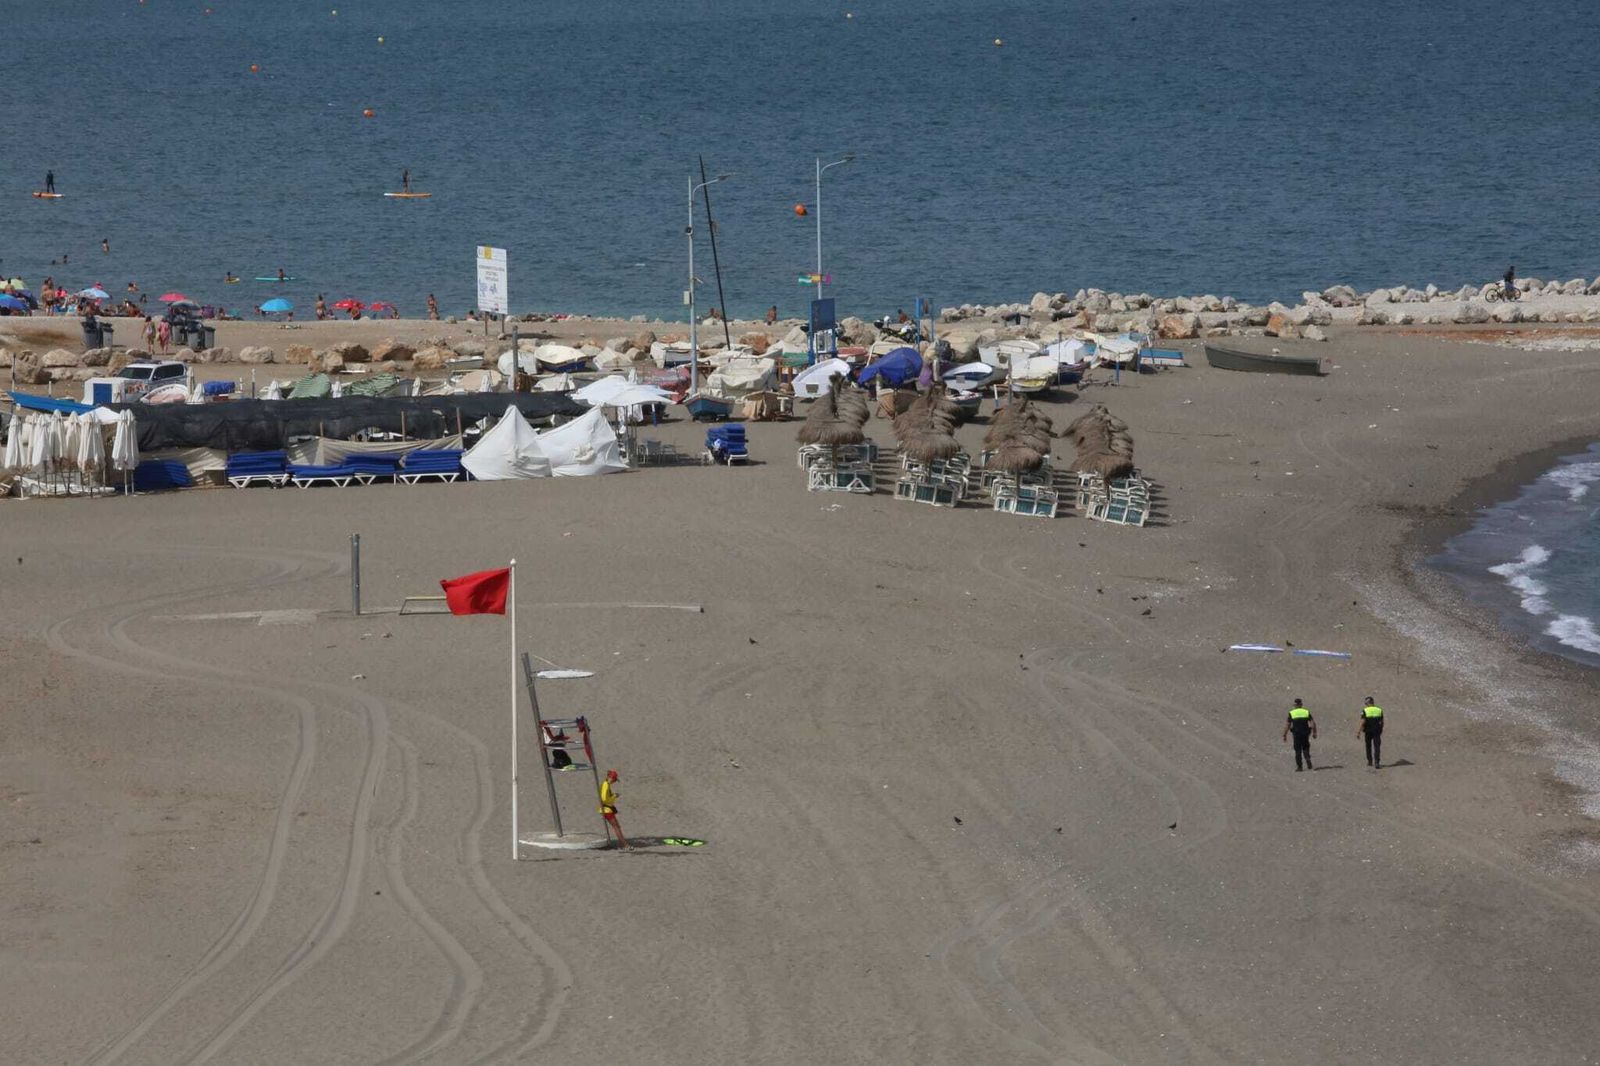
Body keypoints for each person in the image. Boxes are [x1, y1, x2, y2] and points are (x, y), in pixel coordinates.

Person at [598, 769, 631, 849]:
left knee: (617, 826)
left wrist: (612, 795)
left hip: (607, 809)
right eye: (615, 780)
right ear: (612, 778)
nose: (614, 782)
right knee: (616, 827)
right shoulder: (605, 785)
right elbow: (604, 799)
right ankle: (625, 845)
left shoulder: (606, 784)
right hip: (606, 809)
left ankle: (622, 844)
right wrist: (614, 796)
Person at [1282, 697, 1316, 772]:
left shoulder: (1292, 713)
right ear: (1301, 704)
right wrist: (1314, 732)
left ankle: (1299, 767)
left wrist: (1284, 734)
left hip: (1296, 733)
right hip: (1305, 733)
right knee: (1306, 746)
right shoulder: (1306, 712)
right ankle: (1307, 757)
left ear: (1294, 705)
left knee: (1297, 750)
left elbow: (1288, 725)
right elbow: (1312, 723)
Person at [1357, 696, 1384, 769]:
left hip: (1368, 731)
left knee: (1368, 746)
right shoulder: (1379, 710)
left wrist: (1358, 731)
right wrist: (1381, 730)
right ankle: (1377, 762)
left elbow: (1363, 721)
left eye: (1365, 703)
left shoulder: (1365, 710)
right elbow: (1382, 722)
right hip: (1377, 731)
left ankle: (1370, 761)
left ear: (1368, 703)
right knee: (1377, 747)